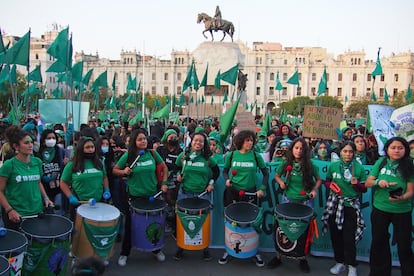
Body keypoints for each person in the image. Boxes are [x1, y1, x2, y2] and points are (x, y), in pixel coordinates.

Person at [113, 128, 168, 267]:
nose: (143, 141)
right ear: (134, 141)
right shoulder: (129, 156)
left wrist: (164, 183)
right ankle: (125, 253)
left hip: (152, 195)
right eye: (139, 139)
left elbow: (164, 168)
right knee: (130, 225)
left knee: (153, 223)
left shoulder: (153, 154)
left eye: (144, 138)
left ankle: (156, 250)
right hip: (134, 196)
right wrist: (124, 171)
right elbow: (115, 170)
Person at [270, 137, 322, 273]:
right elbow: (276, 176)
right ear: (292, 149)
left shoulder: (310, 165)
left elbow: (319, 180)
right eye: (296, 148)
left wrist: (313, 190)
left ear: (305, 151)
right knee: (283, 229)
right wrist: (281, 182)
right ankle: (278, 256)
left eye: (301, 148)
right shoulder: (286, 164)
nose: (299, 151)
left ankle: (302, 259)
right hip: (288, 200)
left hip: (305, 202)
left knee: (303, 231)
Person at [218, 130, 269, 267]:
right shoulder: (231, 155)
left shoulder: (256, 155)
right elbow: (224, 171)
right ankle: (229, 250)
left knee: (251, 223)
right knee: (231, 222)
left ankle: (253, 251)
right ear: (240, 141)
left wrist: (262, 189)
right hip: (232, 193)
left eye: (252, 140)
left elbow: (265, 174)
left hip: (251, 194)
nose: (250, 143)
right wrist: (227, 180)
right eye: (247, 140)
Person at [365, 137, 414, 276]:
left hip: (402, 210)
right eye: (393, 148)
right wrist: (379, 182)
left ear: (405, 150)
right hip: (380, 209)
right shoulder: (381, 162)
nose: (396, 151)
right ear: (387, 149)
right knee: (379, 243)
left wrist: (403, 197)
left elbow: (411, 190)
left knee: (404, 246)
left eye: (400, 148)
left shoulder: (409, 165)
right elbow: (368, 182)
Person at [321, 141, 367, 276]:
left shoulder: (359, 168)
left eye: (350, 151)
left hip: (350, 206)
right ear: (340, 152)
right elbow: (328, 180)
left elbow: (364, 189)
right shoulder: (333, 166)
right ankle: (339, 262)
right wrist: (330, 186)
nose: (347, 154)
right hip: (335, 205)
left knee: (349, 238)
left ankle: (352, 266)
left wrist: (357, 184)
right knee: (336, 235)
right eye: (345, 151)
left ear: (354, 153)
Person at [173, 132, 219, 261]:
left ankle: (205, 248)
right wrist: (177, 175)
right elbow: (175, 168)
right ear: (191, 141)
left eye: (201, 141)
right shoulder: (183, 156)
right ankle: (180, 247)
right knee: (183, 220)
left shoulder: (208, 158)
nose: (198, 143)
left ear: (204, 144)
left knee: (203, 221)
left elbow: (216, 172)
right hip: (185, 193)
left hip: (202, 194)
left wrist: (211, 183)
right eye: (195, 140)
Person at [0, 126, 53, 230]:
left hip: (37, 212)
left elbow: (38, 182)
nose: (30, 145)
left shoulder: (37, 162)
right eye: (26, 143)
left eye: (31, 142)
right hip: (16, 215)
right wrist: (9, 210)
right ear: (16, 146)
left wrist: (46, 198)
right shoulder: (9, 165)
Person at [60, 136, 111, 220]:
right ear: (80, 149)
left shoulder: (99, 163)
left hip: (98, 202)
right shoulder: (72, 164)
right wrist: (70, 196)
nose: (91, 150)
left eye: (92, 147)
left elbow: (104, 177)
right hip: (79, 203)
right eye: (87, 147)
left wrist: (107, 190)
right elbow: (63, 182)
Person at [35, 129, 68, 215]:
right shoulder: (38, 153)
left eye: (53, 138)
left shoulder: (60, 151)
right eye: (49, 138)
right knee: (47, 212)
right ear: (43, 139)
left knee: (58, 212)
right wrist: (42, 177)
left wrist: (66, 163)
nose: (51, 140)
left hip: (59, 188)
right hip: (44, 189)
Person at [157, 129, 183, 234]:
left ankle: (173, 224)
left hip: (174, 180)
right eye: (171, 138)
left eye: (175, 137)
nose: (173, 139)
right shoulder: (160, 150)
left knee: (173, 202)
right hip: (162, 178)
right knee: (163, 200)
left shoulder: (180, 151)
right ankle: (164, 222)